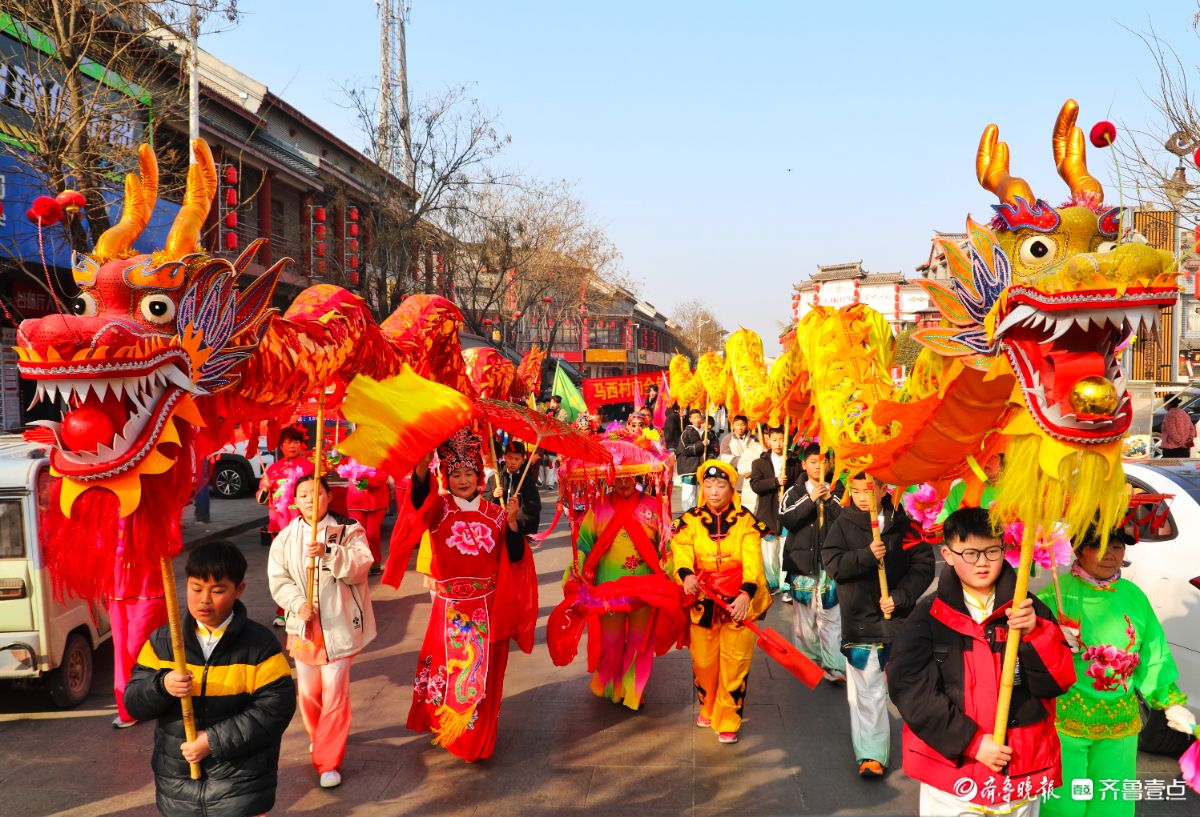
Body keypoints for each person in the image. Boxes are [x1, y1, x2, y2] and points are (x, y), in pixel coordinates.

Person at [889, 508, 1076, 816]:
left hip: (1020, 767)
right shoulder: (928, 616)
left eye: (992, 551)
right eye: (970, 552)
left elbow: (1057, 682)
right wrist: (973, 743)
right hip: (955, 775)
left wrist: (1035, 634)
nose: (982, 562)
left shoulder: (1030, 610)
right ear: (947, 554)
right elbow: (912, 692)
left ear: (1005, 550)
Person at [125, 541, 296, 817]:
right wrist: (162, 686)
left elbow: (275, 709)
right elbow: (133, 702)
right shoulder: (163, 641)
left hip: (241, 784)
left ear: (239, 590)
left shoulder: (259, 646)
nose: (204, 599)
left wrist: (213, 741)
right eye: (196, 588)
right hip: (177, 785)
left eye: (217, 591)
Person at [1037, 526, 1197, 817]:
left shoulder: (1134, 596)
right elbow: (1030, 659)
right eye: (1099, 547)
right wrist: (1050, 637)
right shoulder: (1054, 597)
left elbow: (1152, 653)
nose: (1110, 555)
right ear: (1078, 549)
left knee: (1112, 802)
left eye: (1117, 547)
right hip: (1066, 721)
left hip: (1120, 722)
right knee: (1063, 803)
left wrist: (1169, 702)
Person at [406, 427, 537, 762]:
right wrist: (421, 469)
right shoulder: (439, 510)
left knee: (487, 677)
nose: (463, 479)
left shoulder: (496, 514)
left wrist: (511, 526)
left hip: (489, 608)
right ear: (446, 477)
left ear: (480, 475)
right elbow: (418, 502)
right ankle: (449, 729)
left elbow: (517, 557)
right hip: (449, 608)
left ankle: (477, 740)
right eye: (456, 473)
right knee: (446, 673)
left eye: (469, 472)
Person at [822, 473, 935, 778]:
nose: (862, 497)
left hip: (899, 620)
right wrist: (865, 556)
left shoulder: (906, 525)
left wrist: (900, 597)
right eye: (856, 491)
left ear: (886, 489)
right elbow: (833, 565)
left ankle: (926, 748)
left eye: (869, 491)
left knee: (907, 687)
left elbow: (924, 566)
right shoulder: (842, 524)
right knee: (869, 689)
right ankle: (871, 753)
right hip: (860, 621)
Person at [268, 474, 375, 789]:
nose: (310, 499)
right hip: (303, 629)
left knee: (335, 694)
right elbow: (278, 578)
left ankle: (330, 761)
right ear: (295, 501)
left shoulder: (348, 530)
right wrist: (297, 603)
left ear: (329, 497)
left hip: (340, 626)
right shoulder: (285, 537)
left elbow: (361, 565)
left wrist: (331, 553)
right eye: (303, 494)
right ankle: (320, 738)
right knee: (309, 692)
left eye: (317, 493)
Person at [556, 474, 684, 709]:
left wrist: (669, 567)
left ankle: (633, 691)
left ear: (637, 477)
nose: (623, 484)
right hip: (609, 589)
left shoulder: (654, 506)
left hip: (646, 588)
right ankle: (613, 686)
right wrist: (577, 565)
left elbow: (667, 544)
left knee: (640, 642)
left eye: (628, 478)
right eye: (618, 479)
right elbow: (585, 542)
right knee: (612, 641)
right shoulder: (599, 507)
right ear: (610, 479)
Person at [671, 459, 773, 744]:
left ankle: (728, 718)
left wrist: (746, 594)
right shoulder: (689, 520)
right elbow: (681, 551)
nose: (714, 491)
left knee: (736, 661)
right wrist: (686, 575)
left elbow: (753, 560)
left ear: (732, 488)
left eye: (721, 485)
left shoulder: (746, 521)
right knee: (703, 662)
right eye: (709, 484)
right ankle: (708, 704)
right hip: (703, 599)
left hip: (737, 602)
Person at [779, 443, 845, 683]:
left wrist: (828, 501)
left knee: (831, 615)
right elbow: (786, 518)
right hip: (802, 564)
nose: (819, 466)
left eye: (824, 461)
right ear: (804, 464)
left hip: (831, 565)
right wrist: (810, 499)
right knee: (805, 616)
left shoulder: (839, 490)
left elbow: (846, 521)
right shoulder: (794, 492)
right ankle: (807, 661)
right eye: (814, 461)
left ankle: (833, 666)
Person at [258, 426, 313, 626]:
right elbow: (262, 499)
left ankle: (304, 606)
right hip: (278, 525)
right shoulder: (272, 469)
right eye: (289, 442)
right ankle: (282, 609)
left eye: (296, 442)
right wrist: (265, 488)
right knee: (282, 569)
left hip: (302, 525)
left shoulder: (309, 468)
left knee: (302, 567)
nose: (293, 445)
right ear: (281, 445)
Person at [108, 557, 168, 729]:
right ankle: (128, 711)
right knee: (121, 652)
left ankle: (158, 691)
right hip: (117, 586)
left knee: (139, 646)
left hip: (147, 585)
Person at [749, 426, 801, 597]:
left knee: (786, 550)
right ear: (768, 440)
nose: (778, 444)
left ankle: (785, 585)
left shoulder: (793, 462)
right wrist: (775, 482)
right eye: (775, 440)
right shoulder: (759, 463)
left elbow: (799, 485)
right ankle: (771, 582)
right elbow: (755, 485)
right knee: (769, 553)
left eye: (782, 440)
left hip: (788, 513)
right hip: (767, 512)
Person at [492, 438, 543, 548]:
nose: (513, 462)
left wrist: (515, 518)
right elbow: (483, 500)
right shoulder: (495, 478)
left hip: (517, 529)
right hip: (497, 528)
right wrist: (493, 495)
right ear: (504, 457)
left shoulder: (527, 481)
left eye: (517, 459)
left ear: (523, 460)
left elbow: (534, 506)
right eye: (510, 458)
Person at [344, 465, 391, 575]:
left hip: (376, 501)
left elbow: (382, 476)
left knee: (371, 534)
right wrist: (335, 457)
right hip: (355, 501)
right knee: (356, 535)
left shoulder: (380, 456)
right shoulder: (351, 454)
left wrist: (365, 482)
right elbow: (342, 467)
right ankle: (360, 564)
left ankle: (375, 563)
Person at [935, 453, 1004, 524]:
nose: (987, 459)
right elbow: (943, 521)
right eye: (985, 454)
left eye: (994, 456)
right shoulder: (961, 487)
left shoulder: (1013, 492)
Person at [676, 408, 718, 511]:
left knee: (705, 492)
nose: (697, 419)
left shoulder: (708, 433)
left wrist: (711, 457)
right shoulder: (686, 433)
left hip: (704, 466)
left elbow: (715, 447)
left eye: (699, 417)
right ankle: (688, 513)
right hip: (689, 467)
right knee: (689, 492)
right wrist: (700, 445)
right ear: (690, 419)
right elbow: (684, 449)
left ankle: (702, 512)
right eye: (695, 418)